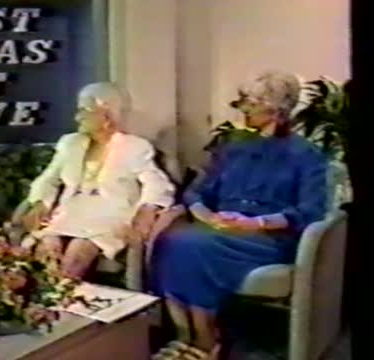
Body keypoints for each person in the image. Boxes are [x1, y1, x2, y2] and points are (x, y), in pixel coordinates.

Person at [147, 71, 329, 360]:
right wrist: (205, 215)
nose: (242, 108)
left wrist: (256, 223)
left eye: (250, 103)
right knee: (170, 240)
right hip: (220, 229)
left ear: (274, 109)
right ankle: (185, 336)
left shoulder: (307, 156)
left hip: (268, 237)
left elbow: (310, 212)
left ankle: (206, 341)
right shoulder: (233, 147)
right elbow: (197, 192)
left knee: (192, 246)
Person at [21, 82, 176, 279]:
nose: (78, 118)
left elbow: (156, 183)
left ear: (106, 115)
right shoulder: (70, 143)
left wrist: (147, 209)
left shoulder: (134, 147)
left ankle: (65, 303)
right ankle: (47, 304)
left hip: (110, 214)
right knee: (47, 248)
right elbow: (48, 178)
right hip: (71, 211)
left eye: (85, 111)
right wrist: (41, 202)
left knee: (76, 254)